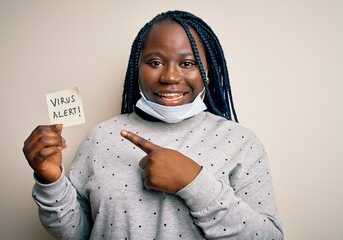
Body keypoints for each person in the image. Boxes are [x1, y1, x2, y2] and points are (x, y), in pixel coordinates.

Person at [23, 10, 284, 239]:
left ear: (209, 71)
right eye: (155, 62)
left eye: (188, 63)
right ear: (137, 67)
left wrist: (193, 182)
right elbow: (78, 233)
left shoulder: (240, 143)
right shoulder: (99, 138)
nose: (170, 76)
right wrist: (51, 180)